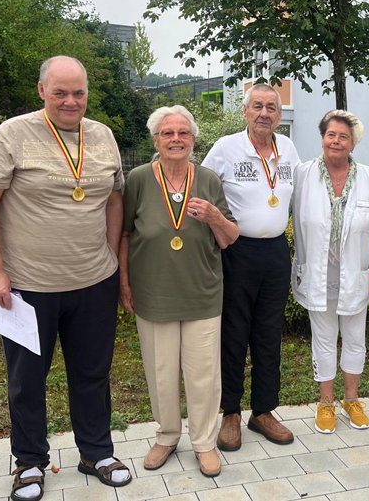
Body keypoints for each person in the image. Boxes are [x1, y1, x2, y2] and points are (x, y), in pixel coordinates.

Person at [0, 56, 131, 500]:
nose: (70, 101)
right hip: (26, 286)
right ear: (41, 91)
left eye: (78, 92)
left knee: (92, 373)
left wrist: (110, 258)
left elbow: (114, 200)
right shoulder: (14, 133)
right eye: (60, 92)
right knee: (26, 380)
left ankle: (96, 452)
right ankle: (29, 462)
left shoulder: (102, 135)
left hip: (93, 281)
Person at [119, 106, 239, 476]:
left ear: (193, 139)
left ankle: (203, 443)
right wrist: (123, 283)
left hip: (202, 292)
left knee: (203, 373)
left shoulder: (208, 180)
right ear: (155, 140)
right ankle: (167, 435)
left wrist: (215, 217)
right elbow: (124, 234)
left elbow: (230, 237)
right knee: (161, 371)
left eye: (183, 133)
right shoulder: (138, 179)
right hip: (153, 294)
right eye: (167, 133)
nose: (175, 139)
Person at [202, 84, 301, 450]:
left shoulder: (287, 147)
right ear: (245, 111)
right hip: (236, 252)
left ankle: (263, 411)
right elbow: (202, 188)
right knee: (233, 333)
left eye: (271, 107)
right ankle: (230, 412)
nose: (264, 112)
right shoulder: (226, 148)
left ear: (279, 114)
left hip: (275, 251)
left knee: (268, 334)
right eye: (257, 106)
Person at [291, 110, 369, 434]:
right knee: (322, 339)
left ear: (352, 143)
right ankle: (325, 403)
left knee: (355, 339)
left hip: (355, 275)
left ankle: (351, 400)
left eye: (343, 136)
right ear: (322, 138)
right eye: (331, 134)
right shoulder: (303, 175)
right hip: (318, 275)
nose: (336, 141)